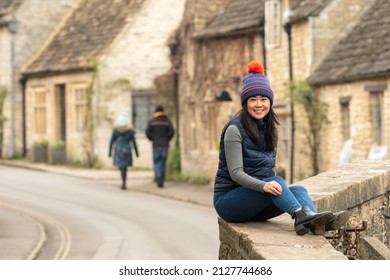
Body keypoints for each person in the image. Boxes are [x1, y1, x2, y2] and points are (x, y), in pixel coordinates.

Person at [213, 60, 349, 235]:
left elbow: (268, 171)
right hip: (228, 203)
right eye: (253, 99)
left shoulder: (269, 128)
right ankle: (300, 215)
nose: (259, 104)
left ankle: (315, 221)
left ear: (270, 102)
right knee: (276, 182)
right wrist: (264, 186)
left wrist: (269, 187)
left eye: (263, 99)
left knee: (299, 190)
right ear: (245, 103)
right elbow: (236, 173)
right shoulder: (234, 129)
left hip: (254, 202)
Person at [146, 105, 175, 188]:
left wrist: (152, 139)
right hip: (165, 144)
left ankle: (158, 176)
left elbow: (147, 132)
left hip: (156, 144)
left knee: (156, 161)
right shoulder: (167, 121)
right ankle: (161, 177)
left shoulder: (152, 121)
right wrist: (167, 138)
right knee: (163, 162)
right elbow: (172, 131)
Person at [109, 112, 139, 190]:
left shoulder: (115, 132)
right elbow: (133, 142)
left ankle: (123, 181)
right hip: (127, 149)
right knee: (125, 167)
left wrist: (110, 152)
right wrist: (136, 153)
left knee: (121, 166)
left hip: (119, 149)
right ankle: (124, 181)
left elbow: (111, 142)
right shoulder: (130, 132)